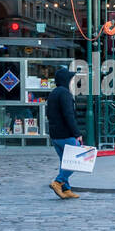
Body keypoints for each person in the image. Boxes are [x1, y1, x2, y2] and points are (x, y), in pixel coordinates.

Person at [47, 65, 82, 199]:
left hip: (55, 136)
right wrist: (77, 133)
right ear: (66, 80)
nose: (72, 81)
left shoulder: (53, 93)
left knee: (65, 162)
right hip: (66, 134)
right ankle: (58, 182)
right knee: (74, 162)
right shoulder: (65, 93)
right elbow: (69, 115)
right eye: (70, 79)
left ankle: (66, 189)